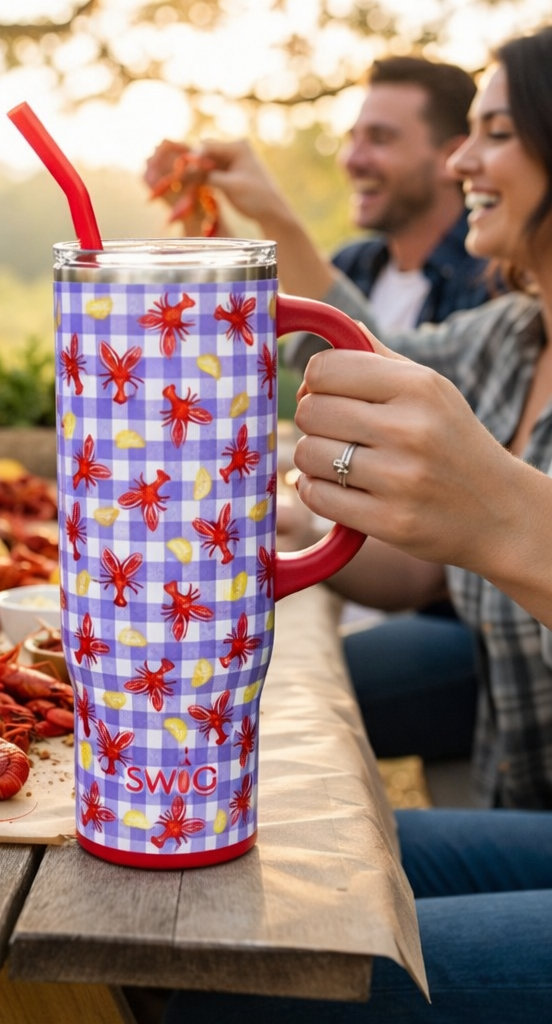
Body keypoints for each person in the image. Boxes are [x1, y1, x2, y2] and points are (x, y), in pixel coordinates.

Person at [163, 23, 552, 1021]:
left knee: (242, 979)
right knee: (227, 880)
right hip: (526, 813)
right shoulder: (510, 334)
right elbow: (363, 356)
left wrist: (502, 515)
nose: (463, 158)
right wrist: (234, 515)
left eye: (495, 130)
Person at [145, 56, 492, 772]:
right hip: (365, 569)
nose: (354, 157)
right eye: (353, 134)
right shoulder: (359, 264)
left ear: (449, 153)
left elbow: (387, 365)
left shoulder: (490, 289)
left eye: (383, 137)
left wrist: (272, 215)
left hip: (448, 614)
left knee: (273, 701)